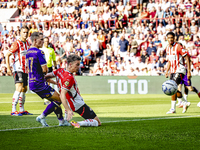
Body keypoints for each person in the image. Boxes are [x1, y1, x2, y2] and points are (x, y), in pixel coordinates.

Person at [26, 32, 73, 127]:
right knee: (59, 99)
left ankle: (61, 121)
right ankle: (42, 116)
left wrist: (51, 81)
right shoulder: (40, 52)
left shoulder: (28, 52)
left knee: (55, 100)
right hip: (39, 83)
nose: (43, 41)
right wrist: (47, 74)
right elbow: (44, 69)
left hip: (32, 82)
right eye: (41, 39)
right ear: (35, 40)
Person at [45, 54, 101, 128]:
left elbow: (46, 76)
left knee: (64, 124)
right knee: (97, 122)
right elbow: (62, 95)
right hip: (77, 103)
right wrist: (68, 110)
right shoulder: (69, 77)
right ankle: (78, 123)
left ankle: (65, 120)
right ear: (70, 64)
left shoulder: (59, 70)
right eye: (77, 64)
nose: (79, 66)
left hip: (68, 102)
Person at [6, 26, 32, 116]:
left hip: (25, 70)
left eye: (26, 32)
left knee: (24, 89)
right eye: (24, 32)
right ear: (20, 33)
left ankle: (21, 109)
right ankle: (13, 110)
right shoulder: (17, 43)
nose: (25, 34)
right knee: (19, 87)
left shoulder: (28, 43)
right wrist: (8, 68)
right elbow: (7, 54)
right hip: (18, 68)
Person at [165, 32, 191, 114]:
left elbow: (187, 57)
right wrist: (167, 70)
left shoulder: (178, 46)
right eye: (169, 38)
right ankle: (183, 103)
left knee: (173, 87)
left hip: (180, 69)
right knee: (173, 89)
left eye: (172, 37)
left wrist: (189, 71)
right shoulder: (167, 48)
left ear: (174, 38)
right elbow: (170, 61)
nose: (170, 39)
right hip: (172, 71)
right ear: (166, 38)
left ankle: (174, 108)